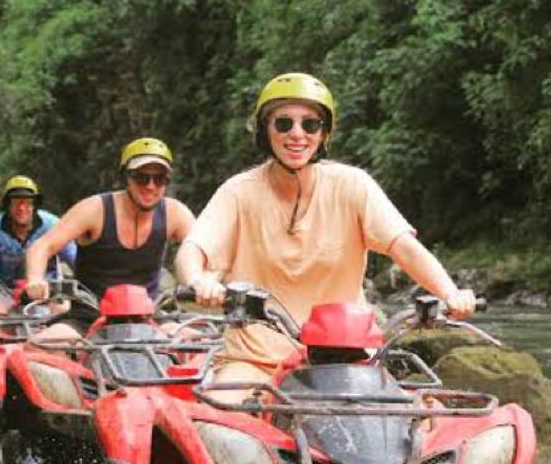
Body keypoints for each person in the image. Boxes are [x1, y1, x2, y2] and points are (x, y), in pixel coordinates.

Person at [176, 72, 476, 386]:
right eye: (283, 123)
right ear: (265, 130)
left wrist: (450, 293)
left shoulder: (353, 184)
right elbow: (192, 250)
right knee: (225, 409)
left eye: (310, 124)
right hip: (254, 360)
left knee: (394, 413)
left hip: (347, 359)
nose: (297, 134)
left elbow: (405, 248)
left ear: (323, 134)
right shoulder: (237, 192)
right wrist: (198, 280)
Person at [24, 138, 195, 335]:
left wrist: (203, 282)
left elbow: (203, 252)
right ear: (126, 177)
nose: (150, 186)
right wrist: (35, 279)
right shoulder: (95, 209)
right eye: (141, 178)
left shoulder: (175, 213)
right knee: (48, 343)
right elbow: (42, 246)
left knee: (197, 342)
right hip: (87, 319)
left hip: (149, 318)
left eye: (160, 179)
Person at [0, 175, 76, 297]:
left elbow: (72, 254)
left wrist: (85, 275)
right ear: (7, 206)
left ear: (35, 206)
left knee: (61, 306)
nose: (21, 208)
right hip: (6, 291)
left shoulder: (52, 224)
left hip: (48, 291)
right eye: (16, 203)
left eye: (27, 203)